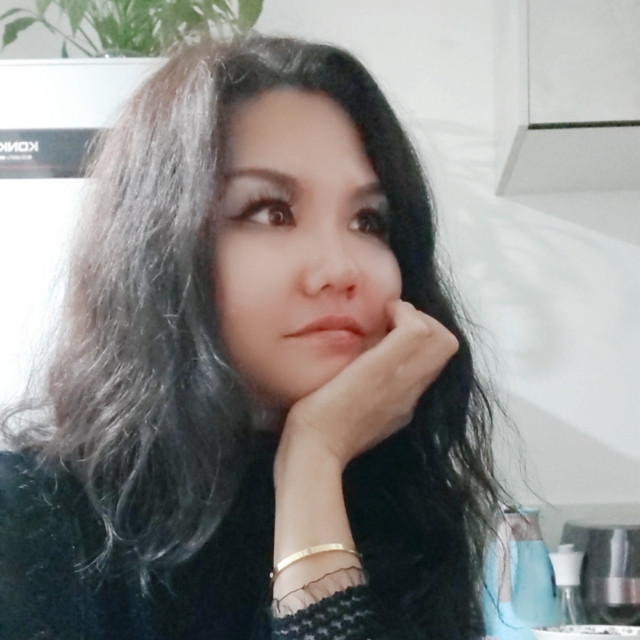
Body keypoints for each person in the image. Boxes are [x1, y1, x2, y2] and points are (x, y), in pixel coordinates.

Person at [0, 34, 505, 639]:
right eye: (271, 212)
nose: (339, 268)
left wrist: (313, 461)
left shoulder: (410, 513)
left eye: (369, 220)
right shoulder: (30, 518)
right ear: (159, 249)